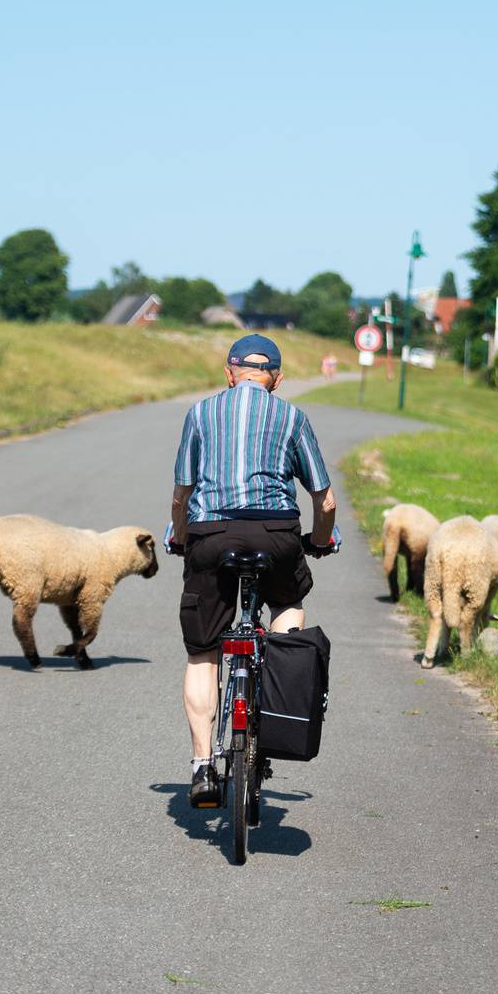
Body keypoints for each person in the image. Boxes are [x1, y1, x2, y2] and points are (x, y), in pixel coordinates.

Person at [168, 334, 339, 808]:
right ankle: (272, 687)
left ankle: (203, 766)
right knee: (287, 601)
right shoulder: (292, 416)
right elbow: (324, 499)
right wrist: (321, 540)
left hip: (211, 535)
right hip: (275, 533)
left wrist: (182, 538)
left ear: (229, 372)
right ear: (277, 380)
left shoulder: (200, 413)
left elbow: (182, 495)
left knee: (203, 652)